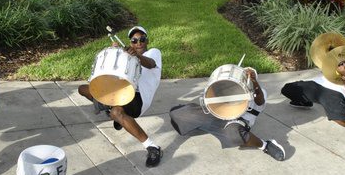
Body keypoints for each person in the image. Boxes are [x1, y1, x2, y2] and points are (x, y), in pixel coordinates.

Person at [78, 26, 163, 167]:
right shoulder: (130, 56)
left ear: (147, 41)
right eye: (134, 41)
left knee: (116, 112)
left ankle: (152, 147)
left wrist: (137, 56)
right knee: (83, 89)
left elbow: (150, 64)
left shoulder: (153, 52)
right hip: (123, 92)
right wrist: (116, 53)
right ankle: (114, 111)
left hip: (139, 99)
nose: (138, 43)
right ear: (131, 43)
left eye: (142, 39)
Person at [169, 68, 286, 161]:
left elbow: (259, 102)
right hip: (219, 114)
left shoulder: (259, 91)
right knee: (177, 113)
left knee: (233, 134)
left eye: (249, 79)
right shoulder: (227, 85)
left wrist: (254, 82)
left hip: (238, 121)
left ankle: (265, 145)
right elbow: (210, 101)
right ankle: (213, 127)